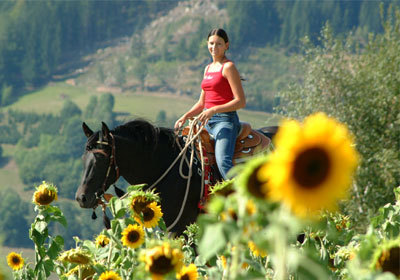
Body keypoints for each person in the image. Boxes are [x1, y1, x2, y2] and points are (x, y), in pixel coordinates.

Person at [174, 28, 246, 180]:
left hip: (225, 121)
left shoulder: (228, 67)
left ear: (227, 45)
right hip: (205, 121)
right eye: (211, 43)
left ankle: (241, 199)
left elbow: (240, 101)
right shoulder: (207, 68)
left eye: (219, 44)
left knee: (223, 162)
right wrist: (185, 116)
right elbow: (202, 103)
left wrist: (213, 110)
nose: (214, 47)